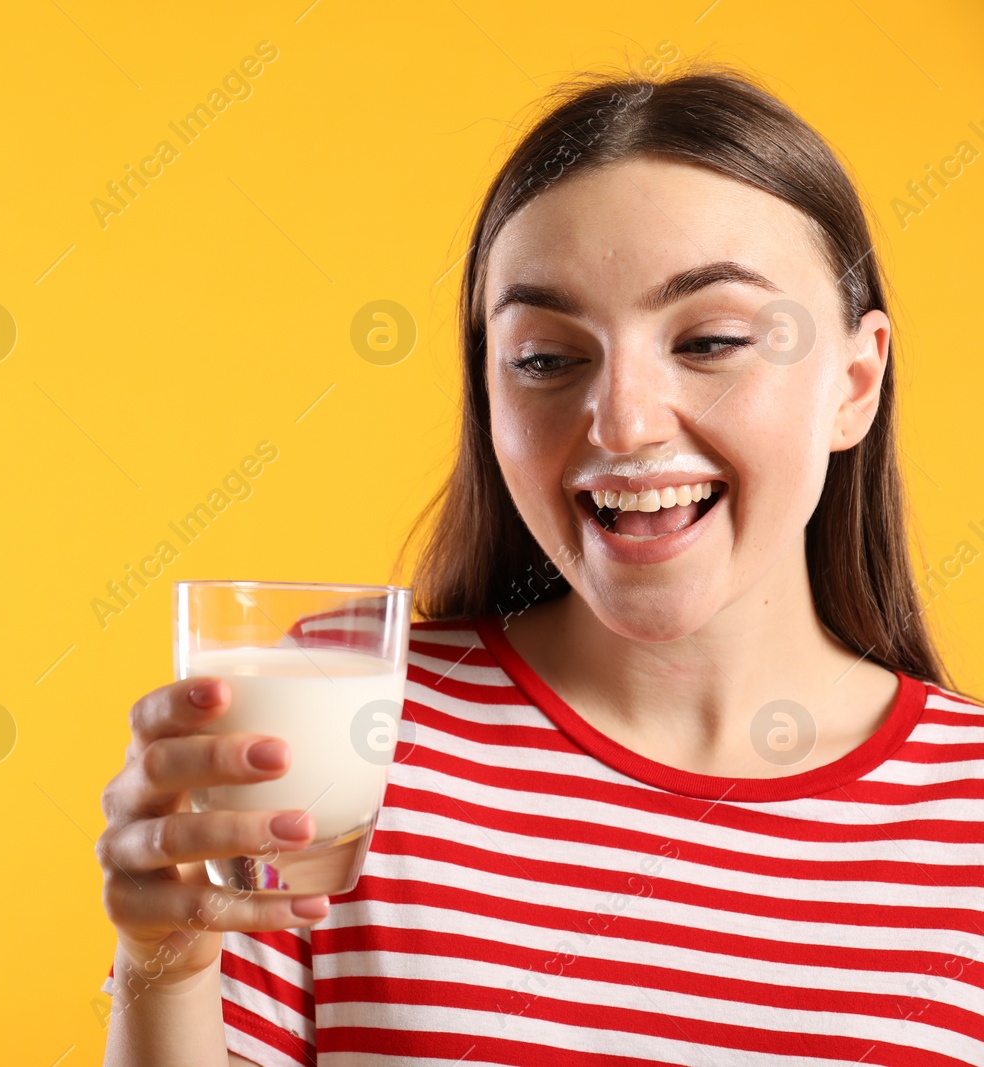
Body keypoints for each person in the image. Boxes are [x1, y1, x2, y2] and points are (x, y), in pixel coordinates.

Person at [96, 62, 984, 1064]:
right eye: (545, 358)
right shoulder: (349, 720)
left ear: (854, 384)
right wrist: (163, 958)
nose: (624, 420)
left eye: (712, 338)